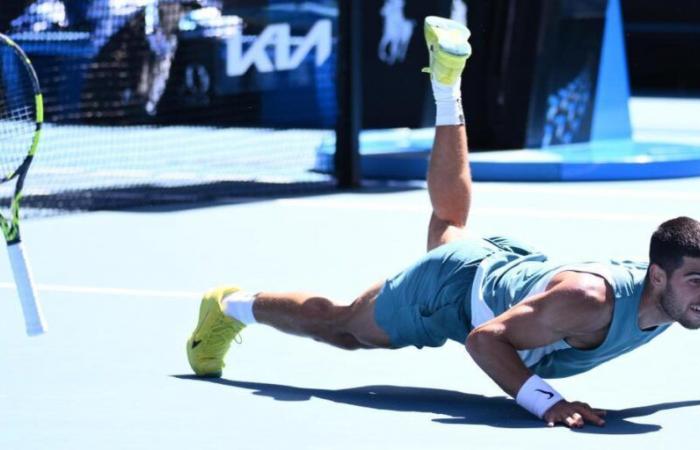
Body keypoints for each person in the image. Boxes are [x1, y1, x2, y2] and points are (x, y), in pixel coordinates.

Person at [186, 16, 700, 429]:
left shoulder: (676, 292)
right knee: (341, 326)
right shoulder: (590, 301)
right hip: (452, 295)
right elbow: (484, 340)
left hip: (499, 267)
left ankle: (448, 85)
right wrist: (547, 402)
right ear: (658, 276)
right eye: (695, 280)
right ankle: (230, 305)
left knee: (449, 222)